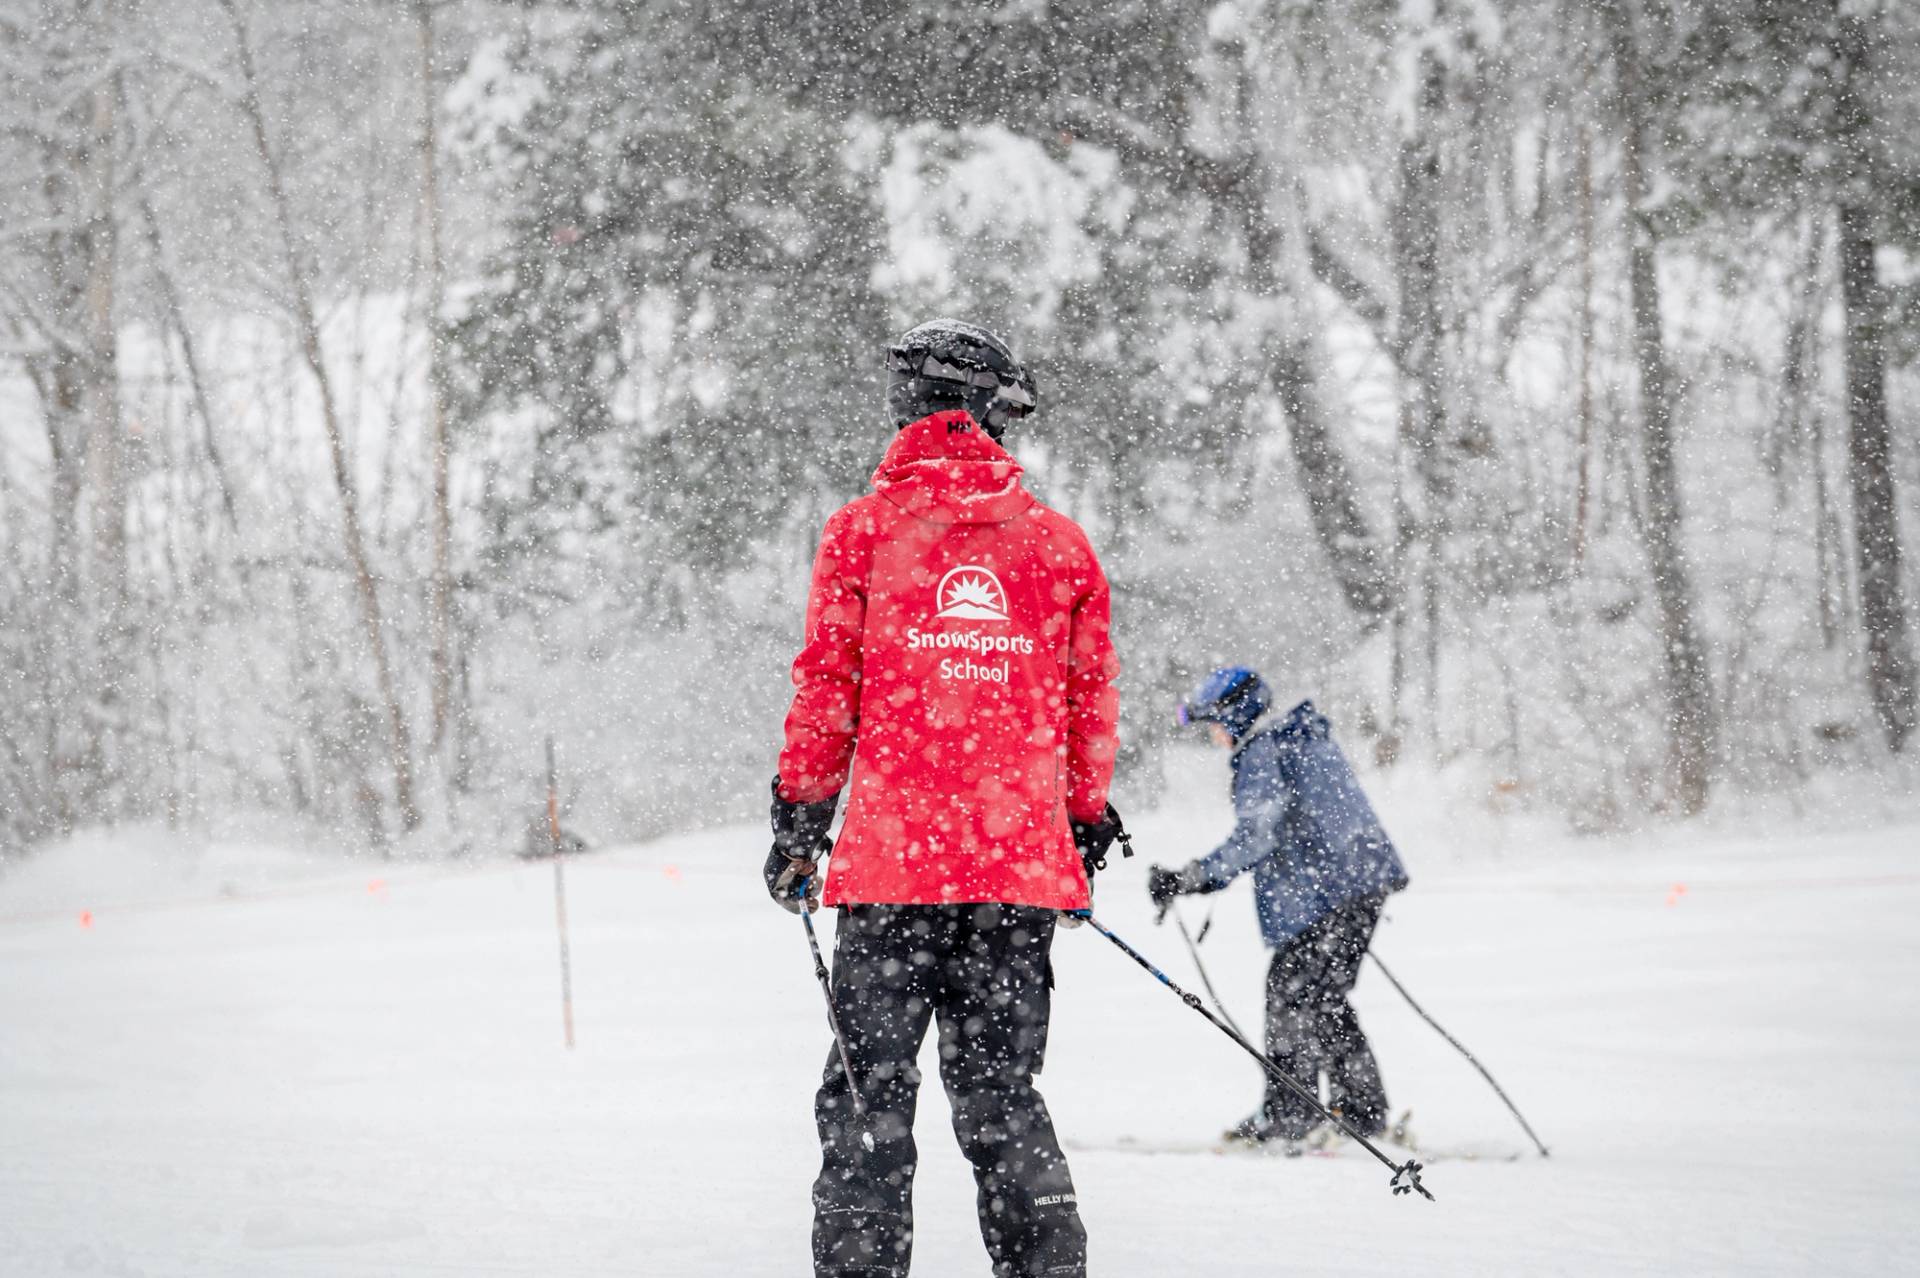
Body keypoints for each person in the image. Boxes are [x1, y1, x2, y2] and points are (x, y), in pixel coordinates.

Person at [764, 319, 1124, 1278]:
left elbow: (824, 692)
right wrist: (1083, 821)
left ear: (908, 410)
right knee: (1002, 1097)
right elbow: (1091, 706)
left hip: (890, 879)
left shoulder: (861, 535)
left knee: (867, 1100)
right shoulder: (1059, 548)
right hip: (1015, 879)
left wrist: (800, 820)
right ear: (995, 415)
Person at [1146, 668, 1408, 1147]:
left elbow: (1257, 836)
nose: (1216, 736)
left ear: (1235, 713)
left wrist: (1190, 877)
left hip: (1331, 891)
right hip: (1356, 884)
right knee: (1319, 996)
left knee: (1291, 994)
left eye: (1214, 724)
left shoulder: (1264, 751)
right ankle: (1362, 1110)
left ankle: (1293, 1116)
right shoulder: (1297, 738)